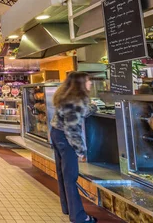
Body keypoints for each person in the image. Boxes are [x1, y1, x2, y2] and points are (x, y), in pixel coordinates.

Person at [50, 72, 98, 223]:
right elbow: (72, 128)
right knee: (71, 177)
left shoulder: (64, 96)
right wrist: (80, 150)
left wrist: (91, 108)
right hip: (65, 137)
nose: (90, 83)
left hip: (56, 134)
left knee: (63, 174)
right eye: (88, 80)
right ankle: (79, 217)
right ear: (81, 83)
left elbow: (74, 114)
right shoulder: (76, 100)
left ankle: (67, 208)